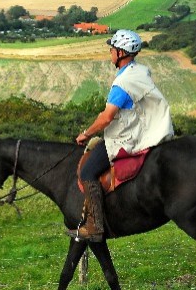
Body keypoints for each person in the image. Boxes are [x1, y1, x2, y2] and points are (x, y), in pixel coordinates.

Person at [68, 29, 174, 242]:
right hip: (140, 129)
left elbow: (107, 118)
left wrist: (85, 133)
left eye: (112, 49)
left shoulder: (122, 84)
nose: (110, 52)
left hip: (125, 137)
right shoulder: (139, 72)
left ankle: (94, 227)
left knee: (88, 172)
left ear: (120, 53)